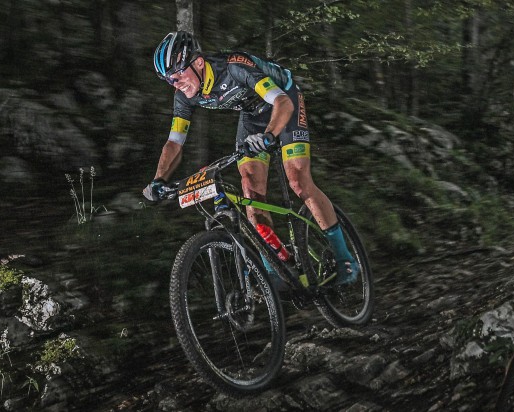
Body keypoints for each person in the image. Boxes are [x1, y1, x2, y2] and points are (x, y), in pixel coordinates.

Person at [143, 31, 358, 286]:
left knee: (298, 180)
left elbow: (281, 102)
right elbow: (174, 142)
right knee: (249, 188)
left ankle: (345, 259)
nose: (176, 84)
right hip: (252, 115)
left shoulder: (234, 68)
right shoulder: (184, 95)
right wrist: (158, 179)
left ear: (198, 62)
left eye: (178, 75)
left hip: (284, 100)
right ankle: (274, 265)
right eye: (169, 80)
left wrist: (269, 136)